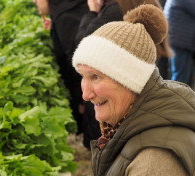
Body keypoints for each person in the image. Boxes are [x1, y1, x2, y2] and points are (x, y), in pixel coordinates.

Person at [72, 4, 195, 175]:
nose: (86, 94)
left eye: (95, 77)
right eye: (82, 76)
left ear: (131, 80)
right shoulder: (123, 125)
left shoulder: (151, 164)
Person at [33, 0, 91, 137]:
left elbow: (78, 66)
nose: (34, 1)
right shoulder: (66, 11)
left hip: (89, 96)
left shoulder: (67, 17)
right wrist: (55, 30)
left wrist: (81, 103)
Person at [164, 0, 195, 86]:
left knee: (184, 79)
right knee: (181, 80)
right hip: (181, 43)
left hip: (180, 41)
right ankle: (175, 99)